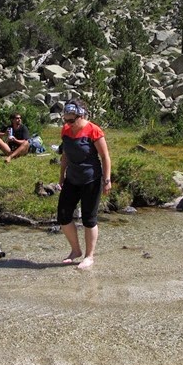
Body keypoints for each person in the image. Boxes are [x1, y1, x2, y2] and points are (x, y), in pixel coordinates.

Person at [57, 99, 112, 270]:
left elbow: (105, 157)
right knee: (63, 215)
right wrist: (61, 175)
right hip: (72, 179)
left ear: (81, 116)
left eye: (71, 120)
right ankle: (75, 250)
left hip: (91, 179)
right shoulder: (66, 130)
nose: (68, 123)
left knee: (89, 218)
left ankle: (89, 256)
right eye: (66, 120)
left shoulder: (93, 130)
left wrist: (107, 180)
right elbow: (65, 155)